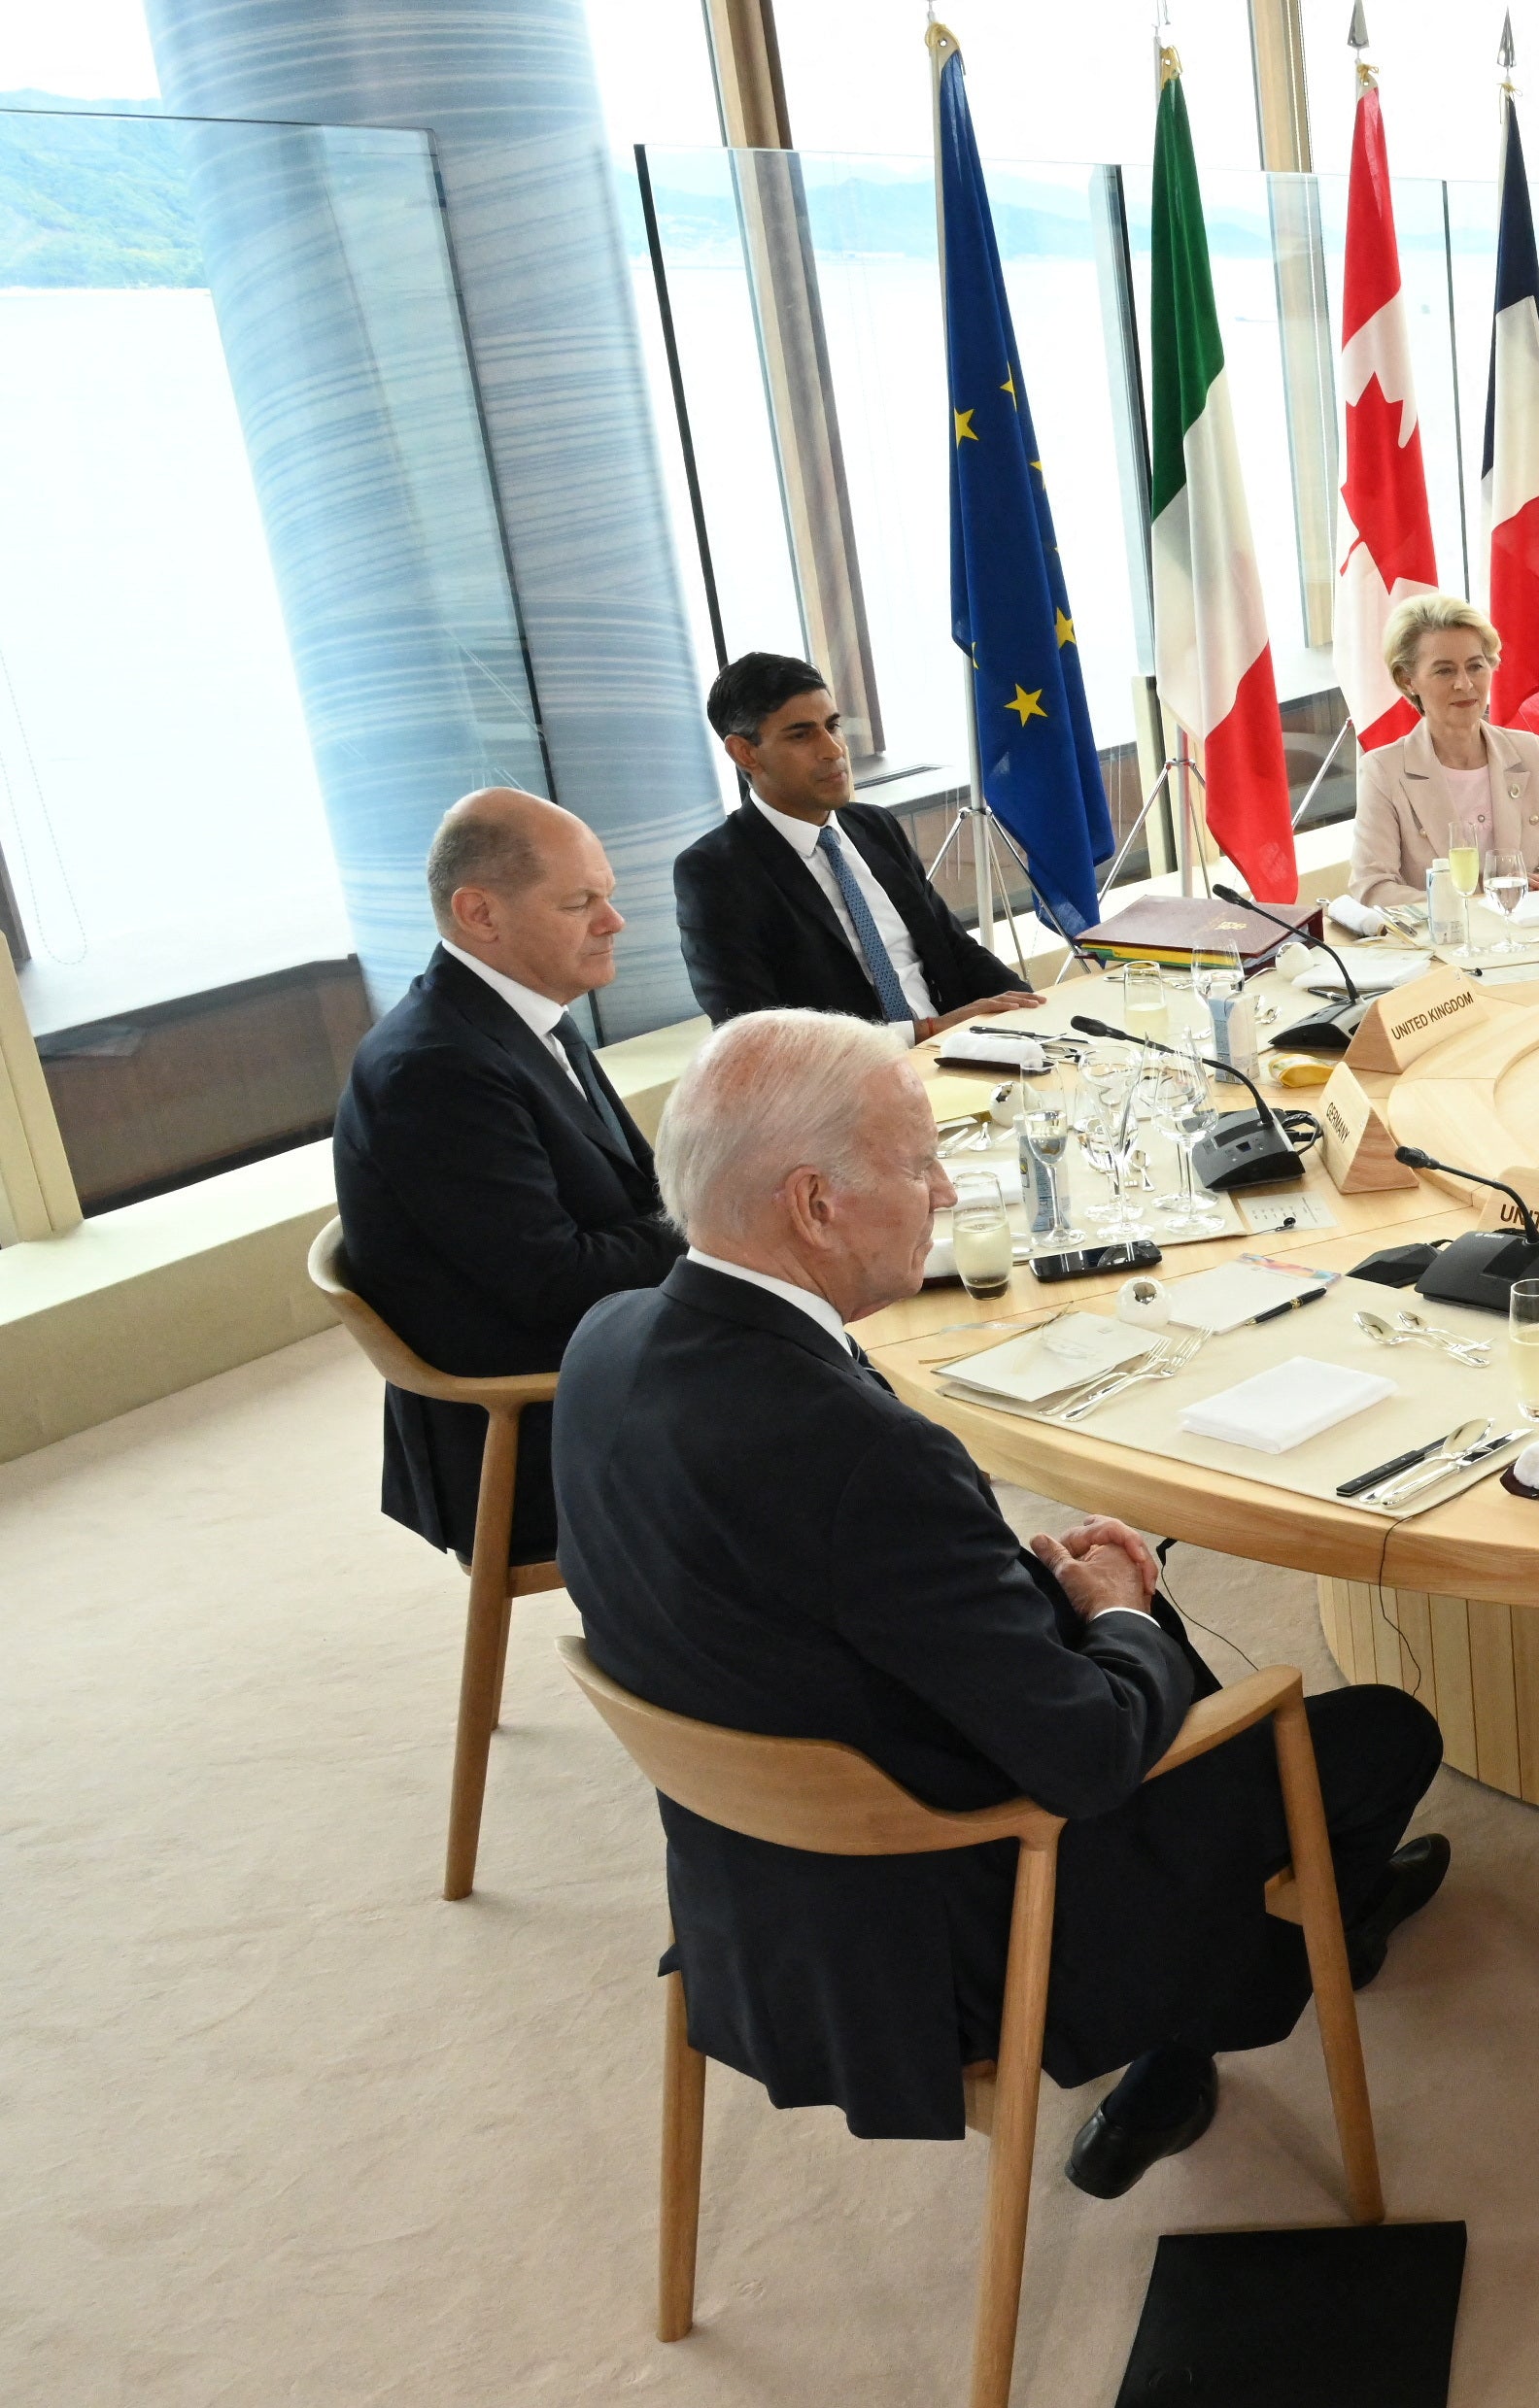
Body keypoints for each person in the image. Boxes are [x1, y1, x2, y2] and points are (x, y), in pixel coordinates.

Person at [556, 1010, 1454, 2190]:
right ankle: (1215, 1997)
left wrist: (1029, 1598)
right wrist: (1120, 1608)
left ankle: (1272, 1933)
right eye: (918, 1161)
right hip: (960, 1927)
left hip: (754, 1900)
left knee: (1143, 1642)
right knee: (1380, 1731)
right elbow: (1084, 1758)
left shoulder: (606, 1342)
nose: (944, 1191)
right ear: (815, 1204)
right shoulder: (860, 1458)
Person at [329, 789, 687, 1567]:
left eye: (609, 898)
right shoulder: (435, 1070)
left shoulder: (519, 1012)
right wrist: (718, 1224)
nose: (612, 922)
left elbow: (633, 1198)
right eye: (580, 902)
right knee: (838, 1430)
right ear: (480, 914)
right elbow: (553, 1280)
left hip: (599, 1358)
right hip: (536, 1427)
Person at [671, 652, 1040, 1037]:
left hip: (956, 1054)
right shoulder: (714, 872)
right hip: (850, 1085)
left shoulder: (874, 826)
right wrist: (925, 1032)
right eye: (801, 735)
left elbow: (955, 948)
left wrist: (1033, 1015)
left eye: (833, 726)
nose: (833, 750)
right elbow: (754, 1037)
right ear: (745, 753)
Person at [1347, 594, 1539, 905]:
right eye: (1444, 671)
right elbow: (1373, 888)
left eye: (1475, 666)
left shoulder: (1529, 752)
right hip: (1442, 945)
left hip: (1529, 936)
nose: (1465, 684)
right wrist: (1486, 897)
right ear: (1407, 680)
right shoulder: (1384, 770)